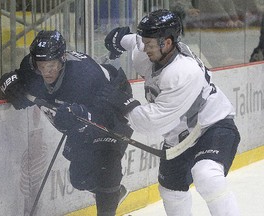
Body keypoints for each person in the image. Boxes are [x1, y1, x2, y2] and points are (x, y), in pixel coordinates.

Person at [101, 9, 241, 216]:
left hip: (212, 126)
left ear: (166, 43)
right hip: (179, 137)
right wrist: (117, 39)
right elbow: (133, 42)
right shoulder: (149, 50)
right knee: (170, 191)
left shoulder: (182, 72)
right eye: (145, 42)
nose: (144, 47)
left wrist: (124, 102)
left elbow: (151, 123)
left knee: (207, 176)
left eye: (149, 44)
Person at [0, 30, 132, 216]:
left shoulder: (84, 74)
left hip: (113, 102)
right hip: (80, 113)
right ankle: (113, 192)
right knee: (80, 179)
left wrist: (84, 115)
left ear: (62, 58)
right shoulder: (30, 68)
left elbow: (105, 112)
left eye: (51, 65)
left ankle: (108, 201)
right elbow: (13, 78)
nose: (46, 72)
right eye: (41, 66)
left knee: (106, 164)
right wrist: (9, 84)